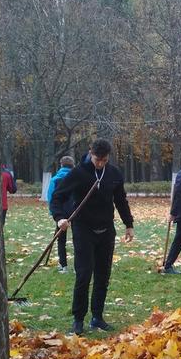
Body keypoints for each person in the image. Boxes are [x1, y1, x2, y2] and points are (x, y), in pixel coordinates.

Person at [51, 140, 135, 335]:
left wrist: (128, 224)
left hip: (106, 230)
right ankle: (78, 319)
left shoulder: (113, 173)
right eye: (98, 160)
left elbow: (121, 200)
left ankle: (97, 317)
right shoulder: (78, 173)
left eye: (104, 160)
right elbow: (58, 196)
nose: (100, 164)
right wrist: (59, 217)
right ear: (90, 153)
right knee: (84, 274)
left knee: (103, 275)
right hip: (83, 229)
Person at [46, 156, 75, 272]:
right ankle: (78, 266)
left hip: (61, 214)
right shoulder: (76, 178)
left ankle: (63, 265)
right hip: (75, 212)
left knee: (60, 239)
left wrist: (53, 213)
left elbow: (51, 198)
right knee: (77, 239)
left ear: (61, 165)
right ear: (73, 166)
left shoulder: (55, 179)